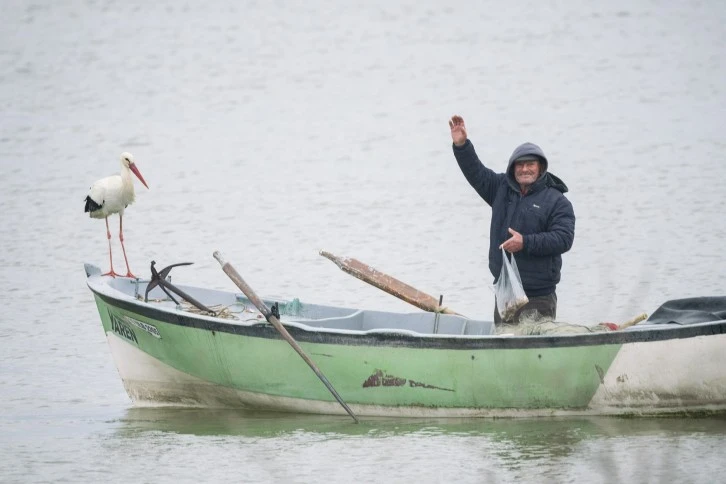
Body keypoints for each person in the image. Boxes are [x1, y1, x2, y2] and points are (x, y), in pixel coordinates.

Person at [448, 115, 575, 324]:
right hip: (505, 293)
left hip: (539, 297)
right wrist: (461, 145)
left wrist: (525, 242)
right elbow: (476, 172)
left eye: (530, 164)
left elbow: (563, 239)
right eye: (520, 165)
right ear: (513, 168)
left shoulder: (557, 201)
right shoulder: (500, 189)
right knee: (503, 350)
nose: (525, 169)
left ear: (541, 167)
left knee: (535, 353)